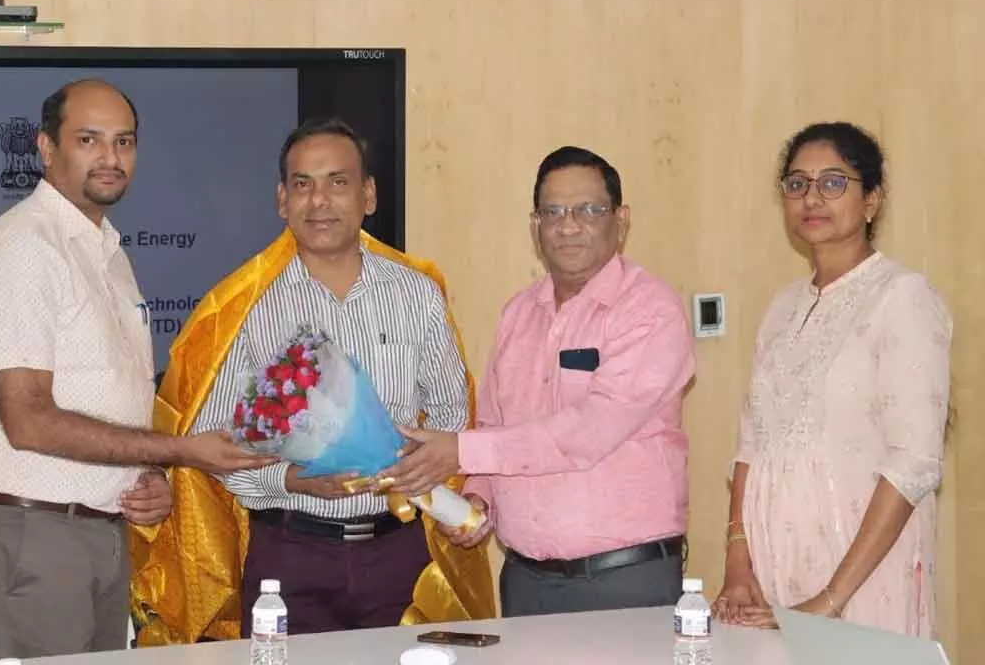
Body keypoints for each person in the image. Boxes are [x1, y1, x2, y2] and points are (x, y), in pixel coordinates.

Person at [128, 117, 495, 644]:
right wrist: (290, 481)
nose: (319, 200)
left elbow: (451, 419)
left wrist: (425, 476)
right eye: (303, 184)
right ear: (282, 200)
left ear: (368, 195)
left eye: (337, 182)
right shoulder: (246, 305)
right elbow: (216, 445)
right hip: (289, 558)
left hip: (400, 554)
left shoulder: (418, 294)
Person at [0, 79, 273, 661]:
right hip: (37, 538)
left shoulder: (105, 250)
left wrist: (147, 472)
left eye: (123, 141)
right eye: (89, 140)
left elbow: (107, 400)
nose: (110, 158)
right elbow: (27, 421)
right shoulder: (26, 249)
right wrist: (181, 450)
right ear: (46, 148)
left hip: (97, 531)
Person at [380, 146, 696, 617]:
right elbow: (492, 423)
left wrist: (461, 450)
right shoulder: (518, 313)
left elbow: (587, 432)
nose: (569, 226)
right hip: (527, 582)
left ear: (621, 220)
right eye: (553, 212)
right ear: (536, 225)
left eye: (589, 210)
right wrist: (476, 499)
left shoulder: (650, 312)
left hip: (625, 584)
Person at [713, 122, 952, 637]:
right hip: (774, 574)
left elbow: (914, 463)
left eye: (834, 182)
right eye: (797, 183)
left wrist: (828, 601)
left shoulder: (903, 298)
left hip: (861, 579)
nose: (812, 197)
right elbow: (749, 446)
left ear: (872, 200)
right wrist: (738, 566)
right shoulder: (781, 309)